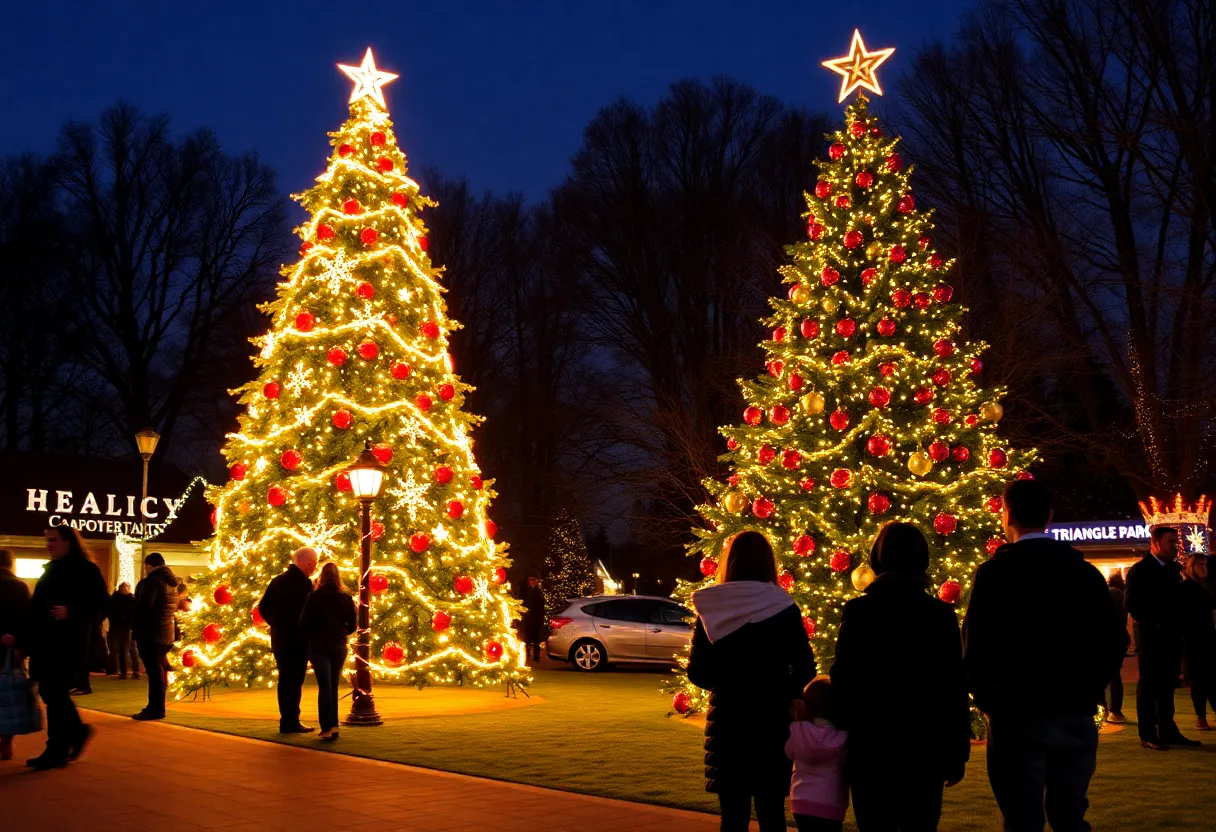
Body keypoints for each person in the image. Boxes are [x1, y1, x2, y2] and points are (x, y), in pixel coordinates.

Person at [963, 480, 1125, 831]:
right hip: (1073, 709)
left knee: (1021, 819)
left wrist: (989, 698)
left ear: (1007, 515)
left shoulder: (994, 574)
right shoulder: (1083, 573)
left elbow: (976, 644)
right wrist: (1090, 688)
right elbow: (1112, 639)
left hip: (1015, 714)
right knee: (1070, 816)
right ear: (1049, 516)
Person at [832, 521, 970, 830]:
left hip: (871, 746)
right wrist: (957, 752)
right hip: (924, 748)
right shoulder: (940, 615)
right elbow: (953, 686)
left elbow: (844, 678)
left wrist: (842, 731)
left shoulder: (859, 612)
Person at [686, 530, 817, 832]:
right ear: (768, 562)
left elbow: (697, 672)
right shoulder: (782, 605)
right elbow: (805, 667)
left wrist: (728, 682)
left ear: (730, 561)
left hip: (729, 720)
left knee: (733, 816)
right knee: (772, 813)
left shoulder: (712, 606)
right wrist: (782, 691)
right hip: (772, 721)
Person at [21, 526, 108, 770]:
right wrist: (26, 642)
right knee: (51, 694)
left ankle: (57, 749)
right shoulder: (51, 569)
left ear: (68, 541)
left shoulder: (85, 570)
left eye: (54, 540)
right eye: (47, 540)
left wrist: (72, 611)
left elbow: (101, 604)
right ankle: (77, 733)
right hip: (45, 643)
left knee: (55, 694)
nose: (49, 544)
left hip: (68, 643)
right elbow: (36, 608)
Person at [1126, 526, 1200, 749]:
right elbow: (1132, 604)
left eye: (1176, 541)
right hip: (1152, 637)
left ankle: (1168, 730)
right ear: (1156, 543)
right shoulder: (1140, 570)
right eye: (1170, 541)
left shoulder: (1174, 569)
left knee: (1168, 685)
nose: (1175, 546)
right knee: (1149, 684)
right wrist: (1155, 624)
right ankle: (1148, 734)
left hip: (1172, 635)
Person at [259, 547, 318, 733]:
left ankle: (287, 719)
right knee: (294, 681)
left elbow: (263, 607)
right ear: (307, 563)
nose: (314, 567)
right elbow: (309, 614)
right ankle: (291, 720)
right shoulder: (304, 585)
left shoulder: (277, 581)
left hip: (280, 640)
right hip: (297, 642)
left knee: (285, 680)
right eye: (313, 564)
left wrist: (277, 625)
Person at [299, 562, 356, 741]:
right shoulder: (345, 597)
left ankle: (327, 727)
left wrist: (314, 633)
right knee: (333, 686)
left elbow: (303, 623)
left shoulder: (314, 597)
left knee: (324, 686)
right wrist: (341, 631)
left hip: (318, 645)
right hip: (338, 645)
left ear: (321, 576)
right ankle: (334, 724)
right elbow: (353, 624)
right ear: (338, 577)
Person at [784, 678, 848, 832]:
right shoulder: (842, 737)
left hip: (801, 800)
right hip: (831, 802)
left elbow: (789, 752)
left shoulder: (798, 731)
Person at [131, 553, 181, 720]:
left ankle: (155, 708)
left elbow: (143, 608)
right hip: (166, 632)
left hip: (150, 633)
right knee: (158, 669)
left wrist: (135, 627)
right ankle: (156, 707)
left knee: (154, 672)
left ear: (148, 565)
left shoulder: (151, 582)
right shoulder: (171, 583)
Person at [1, 549, 32, 761]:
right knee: (10, 696)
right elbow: (27, 620)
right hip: (11, 650)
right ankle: (6, 743)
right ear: (11, 563)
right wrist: (22, 646)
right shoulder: (19, 587)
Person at [1179, 554, 1216, 731]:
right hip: (1194, 640)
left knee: (1211, 679)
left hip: (1209, 638)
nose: (1204, 568)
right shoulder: (1186, 588)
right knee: (1199, 680)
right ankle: (1201, 716)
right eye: (1200, 565)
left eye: (1205, 564)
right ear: (1191, 568)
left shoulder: (1208, 585)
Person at [1103, 572, 1128, 723]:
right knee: (1114, 674)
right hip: (1120, 638)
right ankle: (1115, 710)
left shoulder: (1110, 594)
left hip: (1109, 639)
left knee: (1108, 675)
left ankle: (1107, 709)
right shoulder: (1121, 595)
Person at [106, 582, 139, 680]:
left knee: (124, 649)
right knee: (126, 649)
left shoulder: (115, 599)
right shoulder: (130, 599)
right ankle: (131, 671)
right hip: (125, 626)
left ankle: (126, 671)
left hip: (121, 626)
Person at [520, 572, 545, 663]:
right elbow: (523, 602)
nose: (532, 582)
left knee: (536, 637)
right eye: (530, 580)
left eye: (533, 580)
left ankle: (536, 655)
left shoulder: (538, 591)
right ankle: (527, 653)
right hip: (528, 617)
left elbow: (541, 605)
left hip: (536, 617)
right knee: (527, 636)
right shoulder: (525, 591)